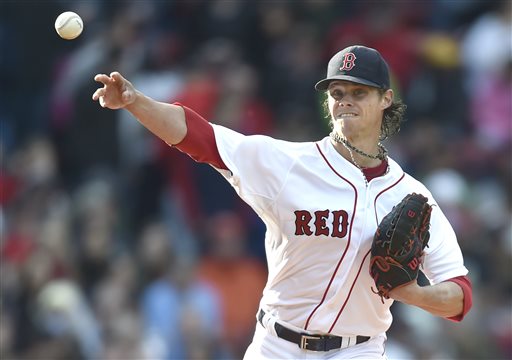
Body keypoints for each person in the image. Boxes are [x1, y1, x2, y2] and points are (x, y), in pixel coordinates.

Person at [92, 45, 472, 359]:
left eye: (359, 93)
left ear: (386, 99)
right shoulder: (289, 164)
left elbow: (460, 294)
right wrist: (135, 102)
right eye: (337, 93)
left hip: (359, 350)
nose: (345, 102)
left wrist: (414, 294)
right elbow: (202, 138)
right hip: (278, 345)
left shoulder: (412, 196)